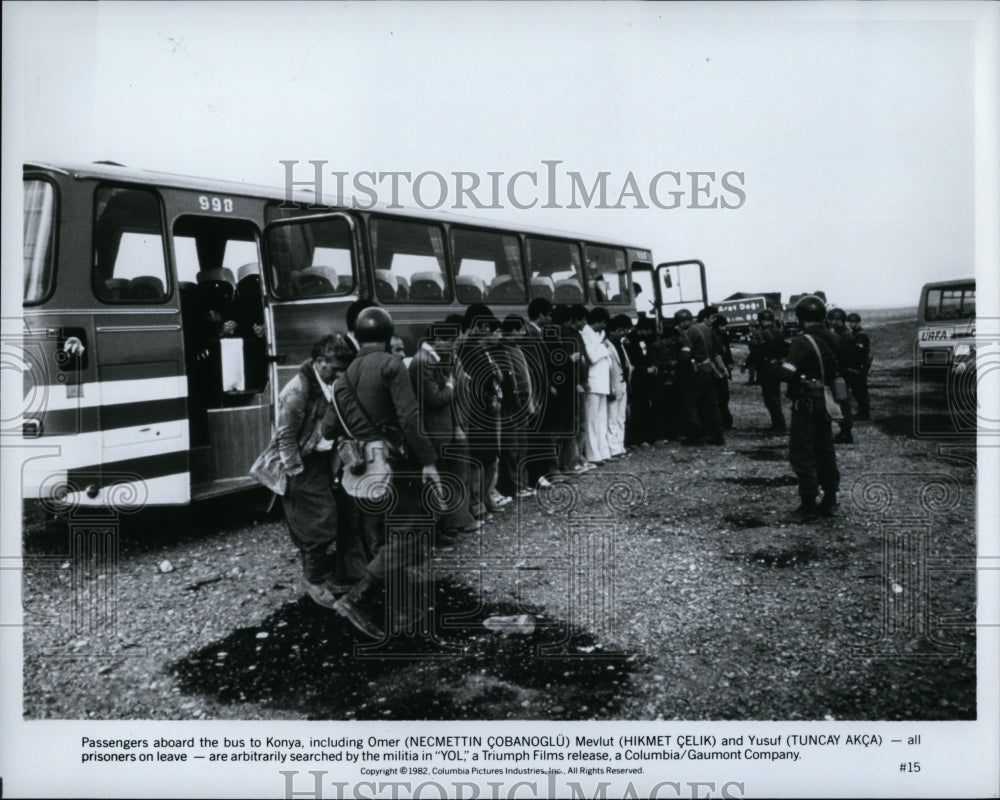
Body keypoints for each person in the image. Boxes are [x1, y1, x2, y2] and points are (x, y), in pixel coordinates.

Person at [324, 307, 442, 638]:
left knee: (387, 538)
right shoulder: (392, 365)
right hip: (393, 466)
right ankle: (356, 598)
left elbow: (328, 428)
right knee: (412, 534)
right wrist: (429, 460)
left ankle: (403, 610)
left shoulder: (343, 377)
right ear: (389, 336)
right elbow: (409, 417)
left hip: (359, 472)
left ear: (357, 336)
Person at [250, 334, 354, 609]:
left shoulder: (329, 383)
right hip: (301, 464)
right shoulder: (297, 391)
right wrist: (295, 474)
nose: (340, 375)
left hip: (321, 461)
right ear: (320, 363)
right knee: (318, 522)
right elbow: (285, 437)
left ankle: (319, 573)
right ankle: (315, 579)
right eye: (335, 370)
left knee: (321, 520)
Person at [779, 295, 848, 522]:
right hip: (828, 400)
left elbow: (788, 373)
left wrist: (777, 365)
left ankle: (808, 504)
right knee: (825, 449)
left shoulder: (801, 341)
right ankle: (830, 499)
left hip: (807, 401)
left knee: (802, 452)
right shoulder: (834, 337)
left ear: (800, 317)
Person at [683, 307, 726, 445]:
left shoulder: (691, 330)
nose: (714, 321)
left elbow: (685, 354)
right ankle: (717, 436)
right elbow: (718, 352)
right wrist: (722, 368)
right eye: (712, 318)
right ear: (705, 318)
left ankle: (695, 437)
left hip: (698, 372)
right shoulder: (709, 331)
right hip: (710, 371)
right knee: (711, 404)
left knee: (689, 404)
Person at [581, 306, 612, 465]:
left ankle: (602, 451)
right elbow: (591, 357)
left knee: (601, 419)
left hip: (602, 382)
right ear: (599, 322)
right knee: (592, 421)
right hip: (593, 382)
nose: (605, 326)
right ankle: (593, 454)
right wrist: (604, 347)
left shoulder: (599, 335)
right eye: (603, 323)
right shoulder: (585, 334)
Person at [749, 309, 787, 432]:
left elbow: (755, 353)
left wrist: (746, 364)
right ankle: (779, 423)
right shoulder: (779, 332)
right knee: (776, 396)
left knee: (770, 398)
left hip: (765, 368)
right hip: (778, 366)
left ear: (760, 321)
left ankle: (778, 425)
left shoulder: (759, 334)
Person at [826, 308, 858, 444]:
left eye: (836, 320)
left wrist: (838, 370)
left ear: (841, 320)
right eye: (832, 319)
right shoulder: (843, 333)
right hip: (844, 372)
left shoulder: (843, 335)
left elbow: (843, 357)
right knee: (842, 401)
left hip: (842, 373)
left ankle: (846, 432)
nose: (833, 322)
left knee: (843, 402)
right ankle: (845, 431)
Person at [606, 315, 632, 458]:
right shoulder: (606, 345)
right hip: (614, 385)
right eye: (620, 330)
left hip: (623, 383)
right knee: (612, 418)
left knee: (621, 417)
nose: (623, 333)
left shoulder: (620, 344)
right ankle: (613, 449)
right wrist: (610, 386)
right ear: (612, 330)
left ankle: (620, 446)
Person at [846, 312, 872, 420]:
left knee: (860, 390)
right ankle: (862, 412)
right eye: (850, 322)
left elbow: (859, 350)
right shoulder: (856, 333)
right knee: (858, 390)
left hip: (859, 366)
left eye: (853, 322)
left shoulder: (860, 334)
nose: (851, 324)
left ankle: (864, 413)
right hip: (858, 366)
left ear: (857, 322)